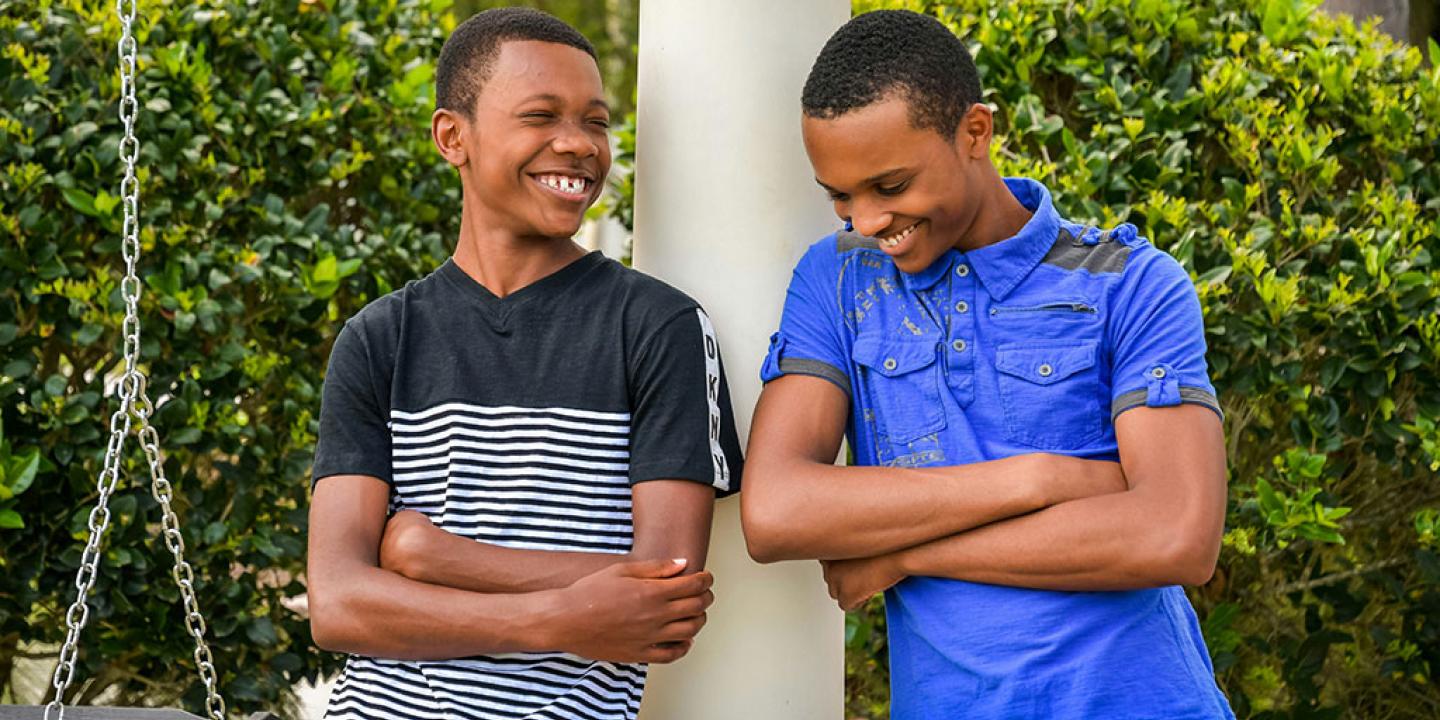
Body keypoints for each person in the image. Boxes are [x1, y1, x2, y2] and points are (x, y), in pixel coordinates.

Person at [741, 9, 1233, 719]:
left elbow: (1175, 535)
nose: (866, 222)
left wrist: (905, 554)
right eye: (840, 196)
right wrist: (1039, 478)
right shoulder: (836, 280)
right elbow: (777, 510)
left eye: (889, 187)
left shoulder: (1132, 281)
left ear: (975, 132)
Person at [305, 8, 743, 720]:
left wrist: (433, 557)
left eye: (596, 122)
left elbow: (666, 594)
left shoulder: (657, 326)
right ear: (454, 137)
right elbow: (338, 603)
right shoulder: (379, 338)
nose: (577, 145)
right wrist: (552, 619)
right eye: (542, 116)